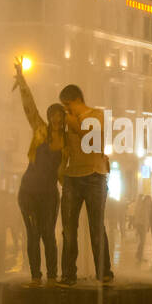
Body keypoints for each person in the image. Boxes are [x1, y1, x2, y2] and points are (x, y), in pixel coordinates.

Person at [12, 58, 65, 285]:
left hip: (49, 194)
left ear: (63, 119)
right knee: (32, 234)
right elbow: (29, 108)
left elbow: (66, 171)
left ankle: (52, 276)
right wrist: (23, 82)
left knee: (48, 235)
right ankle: (35, 276)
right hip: (29, 191)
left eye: (60, 115)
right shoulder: (40, 131)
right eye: (53, 114)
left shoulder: (67, 143)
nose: (56, 118)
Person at [58, 83, 114, 284]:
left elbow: (95, 143)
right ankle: (67, 274)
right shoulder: (68, 119)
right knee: (68, 229)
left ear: (76, 100)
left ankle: (104, 272)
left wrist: (75, 127)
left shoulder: (96, 115)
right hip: (72, 178)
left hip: (94, 176)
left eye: (67, 105)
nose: (66, 110)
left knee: (96, 227)